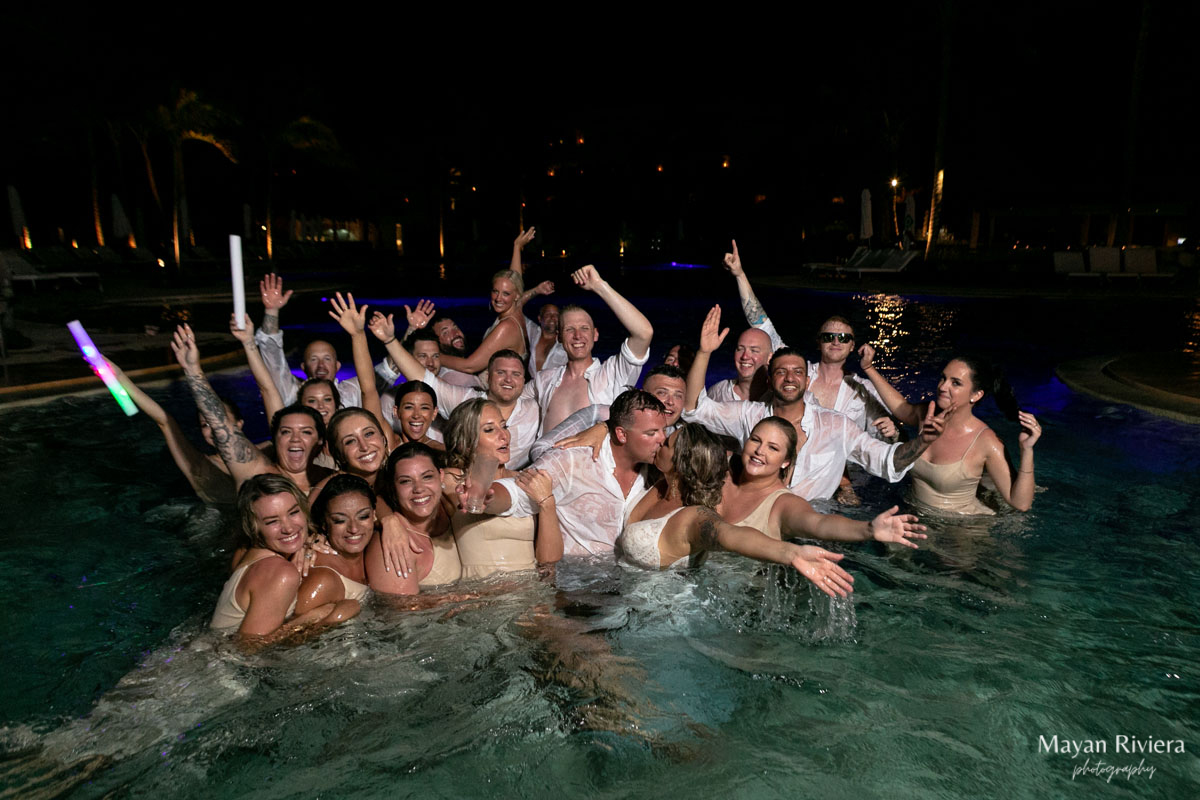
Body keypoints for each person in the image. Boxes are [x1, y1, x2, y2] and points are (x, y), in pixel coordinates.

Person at [682, 306, 949, 501]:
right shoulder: (749, 415)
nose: (789, 378)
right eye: (781, 372)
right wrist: (705, 352)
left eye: (797, 372)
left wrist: (923, 441)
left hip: (814, 525)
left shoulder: (836, 425)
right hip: (758, 516)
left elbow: (886, 460)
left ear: (807, 381)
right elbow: (696, 409)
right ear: (770, 378)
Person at [617, 422, 855, 598]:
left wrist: (790, 553)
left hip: (665, 614)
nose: (660, 441)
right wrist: (602, 428)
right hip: (625, 591)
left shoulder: (693, 516)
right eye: (755, 440)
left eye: (667, 442)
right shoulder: (670, 479)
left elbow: (729, 534)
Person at [475, 389, 667, 557]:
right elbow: (521, 490)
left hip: (625, 586)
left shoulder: (659, 469)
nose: (662, 439)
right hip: (572, 588)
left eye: (663, 430)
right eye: (651, 433)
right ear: (621, 434)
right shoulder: (572, 459)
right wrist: (487, 496)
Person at [858, 351, 1043, 513]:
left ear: (976, 395)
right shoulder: (927, 415)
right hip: (917, 517)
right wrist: (868, 368)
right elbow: (901, 407)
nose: (943, 387)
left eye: (955, 383)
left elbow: (1020, 503)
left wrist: (1027, 450)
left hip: (961, 533)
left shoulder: (987, 441)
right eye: (943, 378)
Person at [171, 324, 333, 495]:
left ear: (321, 439)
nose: (295, 439)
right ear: (275, 438)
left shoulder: (336, 479)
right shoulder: (259, 476)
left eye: (306, 432)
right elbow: (221, 425)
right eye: (285, 432)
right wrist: (192, 370)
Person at [721, 417, 927, 547]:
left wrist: (868, 529)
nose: (760, 451)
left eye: (773, 448)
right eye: (756, 440)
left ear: (785, 462)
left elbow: (819, 523)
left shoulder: (782, 504)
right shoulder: (724, 471)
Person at [370, 310, 536, 466]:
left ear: (523, 379)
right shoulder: (466, 401)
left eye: (516, 374)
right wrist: (390, 341)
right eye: (501, 372)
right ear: (488, 377)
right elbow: (423, 378)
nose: (508, 379)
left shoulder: (534, 408)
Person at [210, 475, 359, 644]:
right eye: (272, 521)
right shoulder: (281, 573)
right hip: (226, 667)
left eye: (293, 512)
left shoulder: (247, 554)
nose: (288, 528)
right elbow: (246, 649)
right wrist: (325, 616)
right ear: (254, 527)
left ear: (304, 509)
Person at [440, 398, 562, 579]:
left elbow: (548, 561)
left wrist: (547, 504)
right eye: (489, 429)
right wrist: (389, 522)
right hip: (482, 597)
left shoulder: (525, 480)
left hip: (528, 595)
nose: (504, 435)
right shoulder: (453, 480)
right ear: (465, 443)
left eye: (504, 426)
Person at [534, 265, 654, 436]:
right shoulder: (544, 380)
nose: (577, 336)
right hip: (546, 461)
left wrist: (599, 285)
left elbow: (644, 333)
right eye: (569, 329)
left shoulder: (612, 374)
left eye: (584, 328)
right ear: (559, 337)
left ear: (595, 334)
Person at [105, 358, 243, 504]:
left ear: (239, 424)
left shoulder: (265, 452)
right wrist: (119, 376)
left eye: (221, 420)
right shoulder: (199, 465)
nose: (215, 429)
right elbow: (165, 422)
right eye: (205, 424)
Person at [252, 273, 401, 407]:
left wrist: (400, 335)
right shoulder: (292, 393)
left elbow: (391, 369)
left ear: (337, 366)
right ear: (303, 367)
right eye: (314, 359)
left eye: (327, 359)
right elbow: (272, 353)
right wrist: (271, 311)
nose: (321, 366)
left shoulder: (352, 392)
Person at [526, 364, 688, 462]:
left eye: (678, 396)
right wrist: (579, 466)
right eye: (662, 392)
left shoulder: (684, 439)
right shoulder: (601, 414)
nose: (670, 402)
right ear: (643, 393)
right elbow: (541, 448)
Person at [364, 443, 464, 593]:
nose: (419, 488)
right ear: (393, 486)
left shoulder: (450, 505)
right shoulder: (392, 545)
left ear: (441, 476)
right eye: (406, 481)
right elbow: (401, 611)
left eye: (427, 477)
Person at [296, 474, 376, 613]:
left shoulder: (372, 551)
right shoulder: (323, 580)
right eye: (340, 520)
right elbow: (289, 633)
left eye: (363, 516)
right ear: (324, 524)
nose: (354, 529)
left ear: (374, 515)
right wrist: (336, 617)